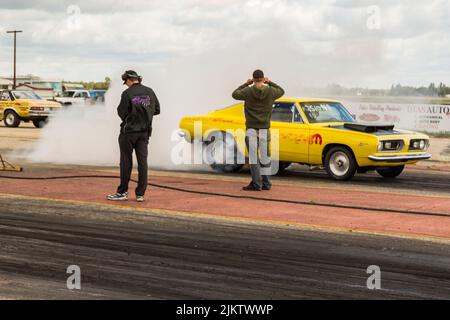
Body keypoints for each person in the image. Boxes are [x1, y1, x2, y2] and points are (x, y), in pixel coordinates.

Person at [107, 70, 160, 202]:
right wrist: (144, 116)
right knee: (143, 163)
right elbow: (157, 110)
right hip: (144, 133)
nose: (126, 85)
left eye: (126, 82)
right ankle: (140, 194)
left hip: (129, 133)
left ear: (130, 80)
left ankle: (123, 192)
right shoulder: (150, 91)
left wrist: (132, 119)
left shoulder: (127, 93)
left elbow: (121, 112)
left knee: (126, 162)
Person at [232, 69, 285, 191]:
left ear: (253, 78)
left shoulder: (247, 91)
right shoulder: (271, 91)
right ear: (263, 78)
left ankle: (256, 184)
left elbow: (235, 94)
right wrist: (270, 82)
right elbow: (282, 91)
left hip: (251, 129)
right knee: (265, 157)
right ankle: (266, 183)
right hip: (265, 129)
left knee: (254, 158)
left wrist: (246, 84)